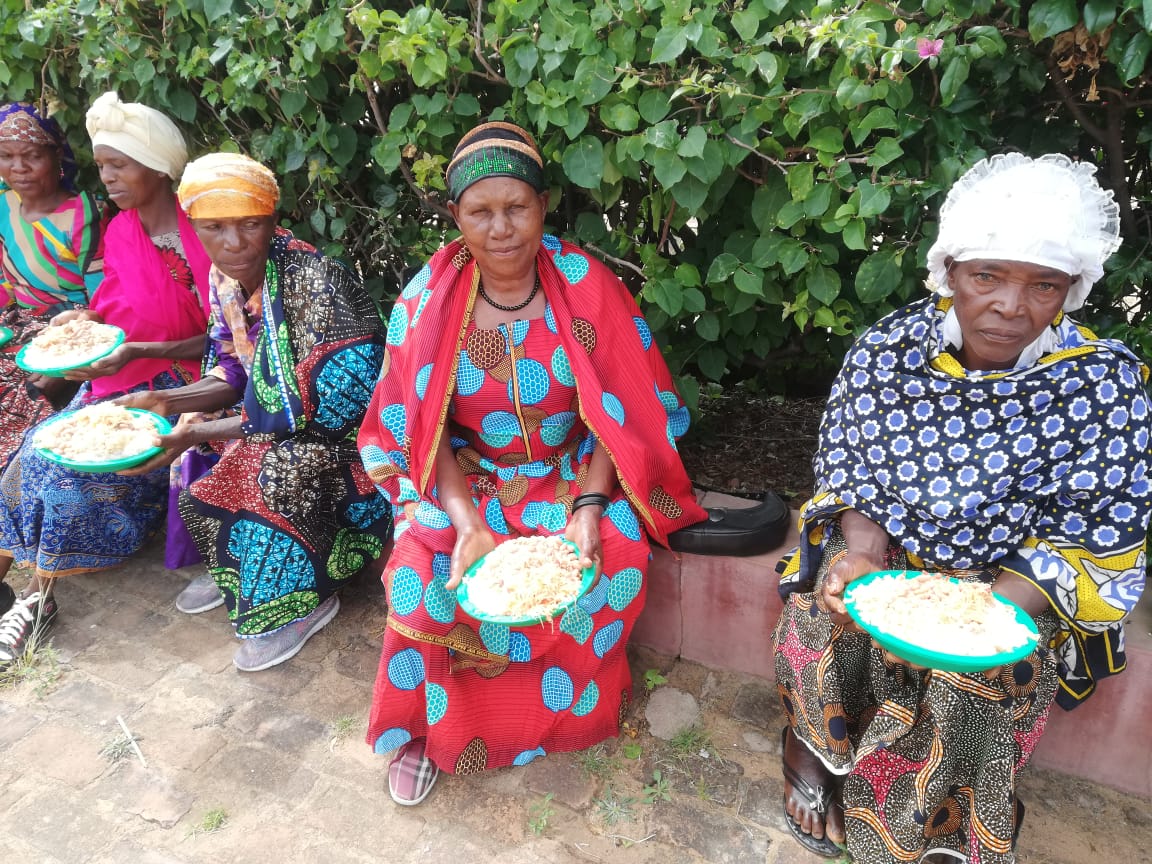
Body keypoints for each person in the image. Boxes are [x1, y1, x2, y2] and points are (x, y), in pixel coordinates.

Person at [773, 153, 1152, 863]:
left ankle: (934, 824)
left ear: (1072, 290)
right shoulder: (888, 352)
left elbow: (1098, 532)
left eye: (1044, 285)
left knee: (977, 675)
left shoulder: (1103, 385)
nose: (1012, 306)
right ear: (949, 273)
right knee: (819, 611)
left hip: (1014, 592)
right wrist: (864, 556)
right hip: (895, 561)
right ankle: (817, 749)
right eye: (987, 276)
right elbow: (854, 474)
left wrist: (976, 616)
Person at [357, 122, 707, 806]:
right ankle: (431, 731)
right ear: (456, 216)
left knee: (616, 554)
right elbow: (415, 429)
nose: (501, 228)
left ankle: (550, 719)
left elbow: (624, 410)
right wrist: (464, 524)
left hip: (569, 470)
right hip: (466, 475)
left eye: (516, 207)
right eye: (480, 212)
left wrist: (587, 508)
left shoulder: (586, 285)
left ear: (543, 207)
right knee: (419, 572)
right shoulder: (426, 303)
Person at [117, 152, 392, 672]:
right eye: (214, 228)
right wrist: (169, 405)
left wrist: (209, 428)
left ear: (273, 221)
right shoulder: (227, 282)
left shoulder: (318, 285)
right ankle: (240, 567)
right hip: (278, 418)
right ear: (194, 228)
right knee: (195, 443)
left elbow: (325, 409)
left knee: (270, 466)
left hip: (353, 436)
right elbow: (232, 372)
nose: (234, 243)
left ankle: (301, 600)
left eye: (250, 225)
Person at [0, 92, 211, 667]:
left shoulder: (204, 235)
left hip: (184, 384)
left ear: (159, 167)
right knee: (28, 458)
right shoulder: (121, 230)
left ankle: (35, 600)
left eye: (121, 165)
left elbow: (224, 339)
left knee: (69, 478)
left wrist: (144, 351)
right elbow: (116, 310)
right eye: (102, 167)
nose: (109, 179)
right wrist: (85, 322)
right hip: (121, 372)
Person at [0, 103, 105, 475]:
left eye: (31, 156)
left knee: (24, 398)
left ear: (56, 155)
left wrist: (63, 348)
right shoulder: (3, 205)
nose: (19, 168)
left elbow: (100, 301)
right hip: (15, 324)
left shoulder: (84, 213)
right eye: (7, 157)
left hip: (69, 331)